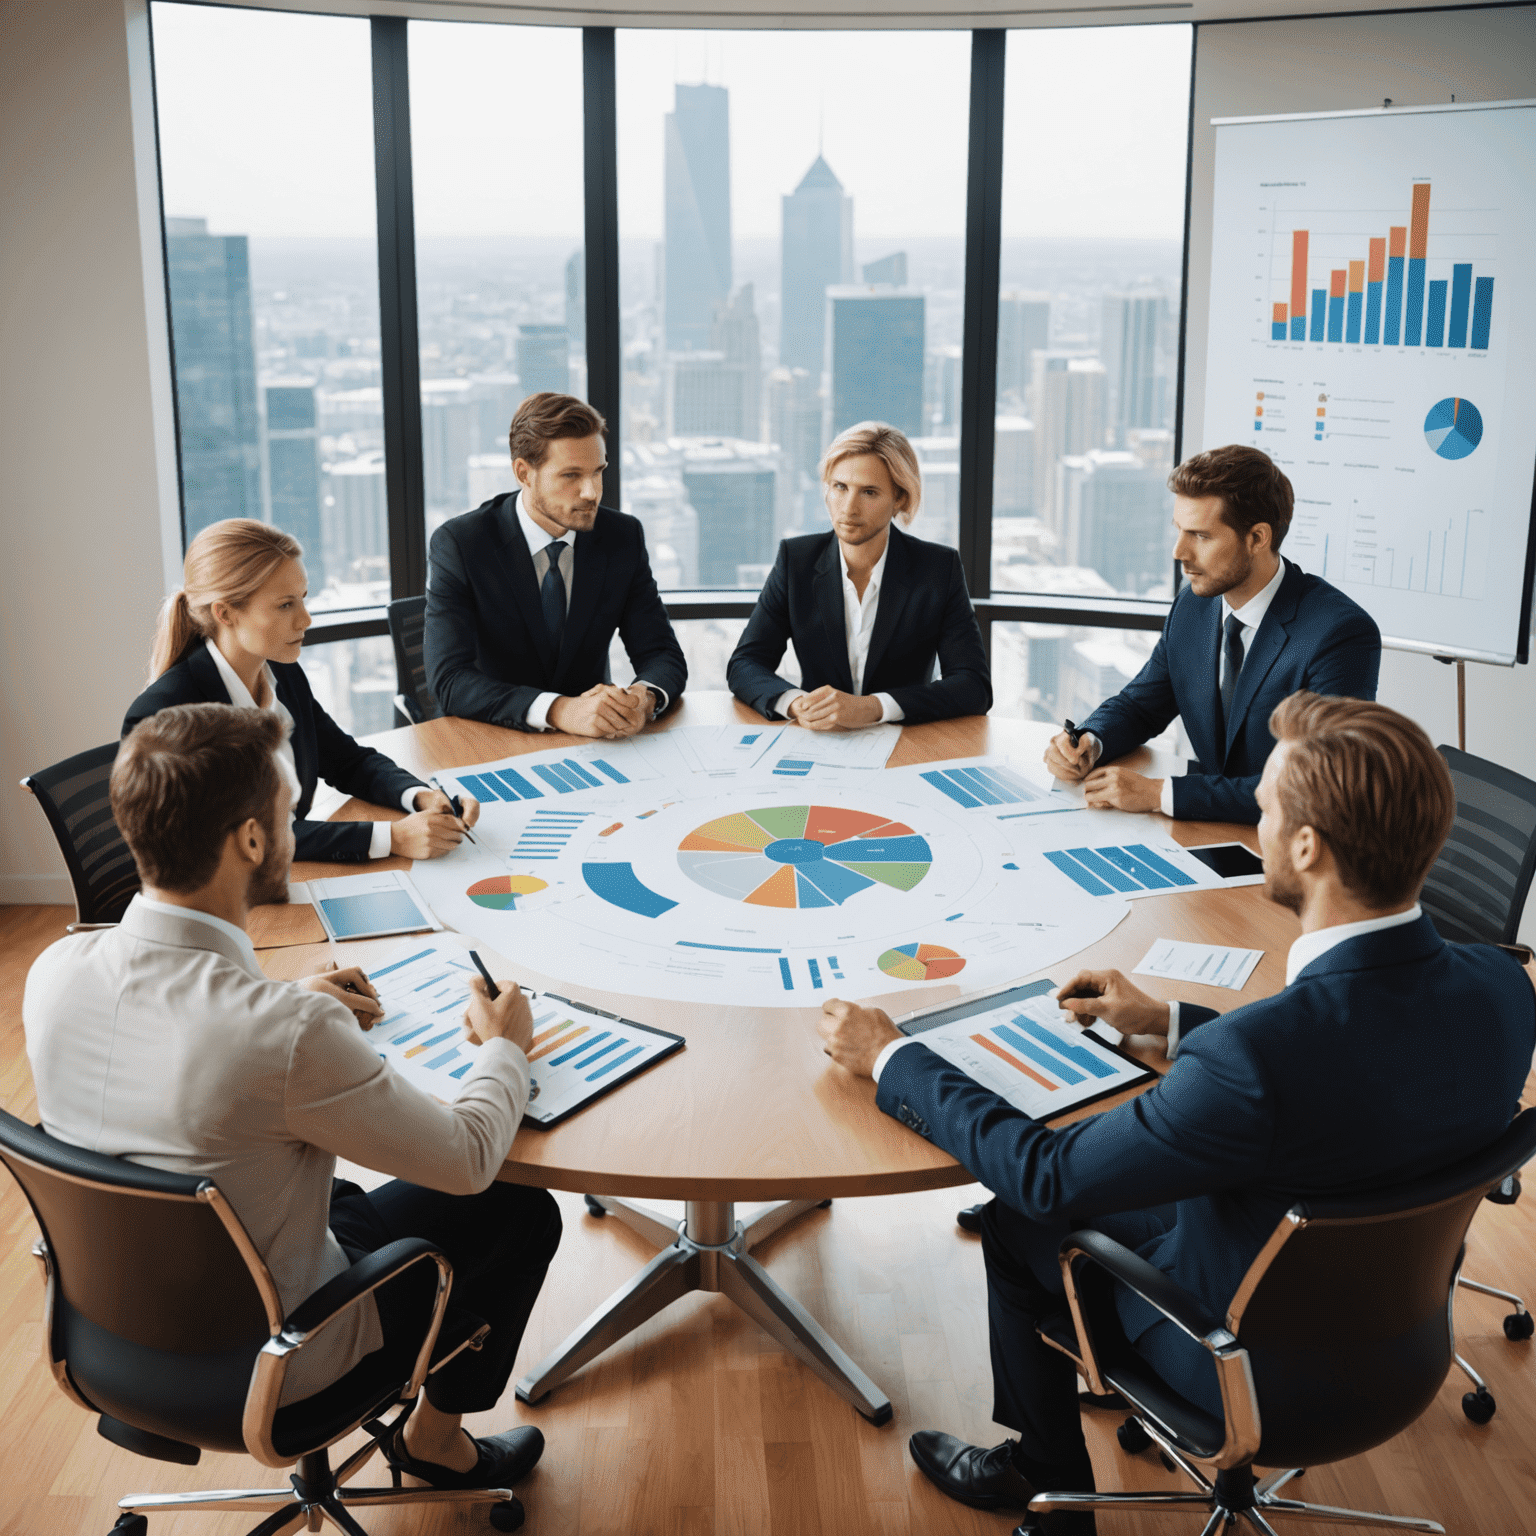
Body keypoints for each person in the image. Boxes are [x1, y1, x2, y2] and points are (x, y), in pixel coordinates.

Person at [819, 692, 1534, 1528]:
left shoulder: (1258, 1060)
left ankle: (1043, 1479)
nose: (1258, 823)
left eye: (1263, 808)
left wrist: (894, 1057)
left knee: (1019, 1224)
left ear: (1304, 847)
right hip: (1403, 1345)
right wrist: (1168, 1024)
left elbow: (1049, 1178)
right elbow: (1359, 1064)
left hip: (1236, 1360)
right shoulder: (1504, 988)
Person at [25, 704, 561, 1516]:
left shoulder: (54, 972)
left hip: (113, 1331)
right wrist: (505, 1048)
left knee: (337, 1200)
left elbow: (174, 1047)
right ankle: (435, 1443)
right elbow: (466, 1160)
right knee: (519, 1209)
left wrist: (274, 1002)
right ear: (248, 840)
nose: (292, 824)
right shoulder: (285, 1035)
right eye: (287, 810)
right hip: (282, 1357)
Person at [1044, 444, 1381, 824]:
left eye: (1200, 536)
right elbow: (1142, 705)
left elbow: (1318, 783)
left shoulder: (1340, 634)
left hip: (1291, 849)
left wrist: (1160, 793)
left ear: (1257, 538)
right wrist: (1090, 740)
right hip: (1207, 833)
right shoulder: (1194, 606)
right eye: (1179, 531)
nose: (1179, 552)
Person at [124, 519, 474, 864]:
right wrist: (390, 837)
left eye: (303, 600)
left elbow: (347, 760)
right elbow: (234, 840)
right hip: (234, 901)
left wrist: (420, 796)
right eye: (285, 605)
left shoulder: (282, 673)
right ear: (226, 613)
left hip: (295, 870)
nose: (305, 619)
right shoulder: (165, 713)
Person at [424, 392, 686, 738]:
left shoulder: (621, 537)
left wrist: (643, 697)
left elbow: (661, 652)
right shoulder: (463, 544)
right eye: (571, 476)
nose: (591, 492)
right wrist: (560, 709)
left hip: (591, 743)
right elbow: (450, 681)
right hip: (491, 740)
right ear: (524, 473)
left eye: (598, 472)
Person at [727, 422, 991, 728]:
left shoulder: (937, 569)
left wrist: (875, 707)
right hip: (819, 739)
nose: (849, 508)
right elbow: (745, 665)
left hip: (906, 745)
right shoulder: (796, 561)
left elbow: (974, 686)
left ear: (900, 499)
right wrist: (797, 704)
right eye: (840, 487)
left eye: (869, 492)